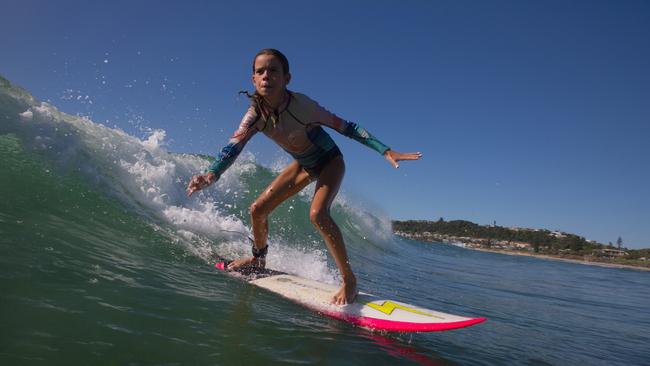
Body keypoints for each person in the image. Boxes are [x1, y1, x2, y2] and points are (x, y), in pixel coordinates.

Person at [187, 49, 422, 305]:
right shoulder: (255, 116)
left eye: (273, 70)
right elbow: (232, 148)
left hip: (330, 161)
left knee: (318, 214)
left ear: (287, 78)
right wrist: (211, 174)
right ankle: (258, 259)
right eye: (260, 71)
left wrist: (385, 150)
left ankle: (349, 280)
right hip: (304, 164)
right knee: (257, 210)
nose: (266, 75)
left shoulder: (303, 105)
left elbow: (347, 127)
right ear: (253, 80)